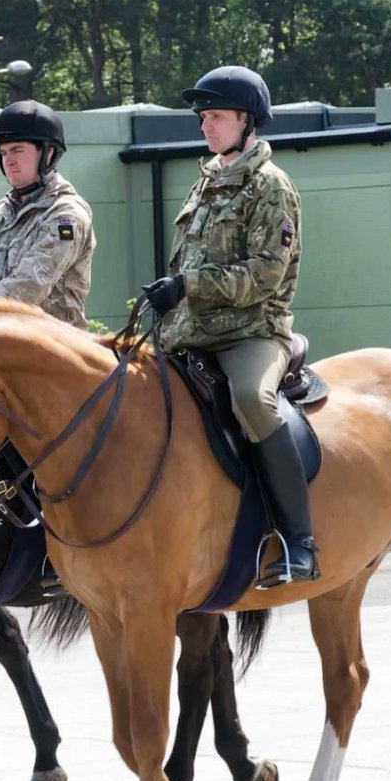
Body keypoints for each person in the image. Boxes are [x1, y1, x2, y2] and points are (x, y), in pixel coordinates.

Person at [141, 66, 318, 586]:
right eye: (203, 117)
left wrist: (188, 285)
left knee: (252, 401)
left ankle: (298, 540)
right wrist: (173, 294)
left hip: (252, 332)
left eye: (216, 116)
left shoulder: (270, 186)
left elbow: (266, 275)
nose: (206, 125)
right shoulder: (207, 180)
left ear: (247, 121)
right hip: (189, 331)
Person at [0, 100, 94, 328]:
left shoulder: (65, 215)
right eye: (3, 152)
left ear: (48, 153)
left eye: (17, 150)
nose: (8, 160)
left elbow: (29, 286)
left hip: (53, 350)